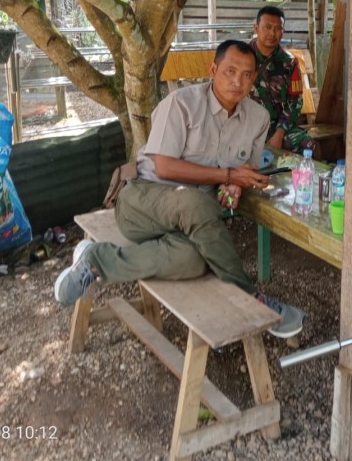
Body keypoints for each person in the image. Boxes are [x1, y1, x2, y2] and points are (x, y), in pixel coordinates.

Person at [53, 39, 305, 338]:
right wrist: (227, 174)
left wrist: (233, 186)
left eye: (247, 74)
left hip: (192, 219)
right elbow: (164, 167)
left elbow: (242, 171)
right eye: (230, 71)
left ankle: (96, 260)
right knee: (195, 202)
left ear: (254, 78)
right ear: (213, 70)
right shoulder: (182, 104)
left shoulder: (258, 118)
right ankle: (253, 299)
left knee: (194, 260)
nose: (238, 82)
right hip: (142, 200)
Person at [249, 6, 314, 152]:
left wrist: (279, 133)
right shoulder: (240, 56)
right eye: (267, 27)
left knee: (307, 144)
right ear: (256, 28)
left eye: (278, 28)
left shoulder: (289, 62)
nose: (272, 33)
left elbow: (295, 102)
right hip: (243, 126)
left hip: (276, 127)